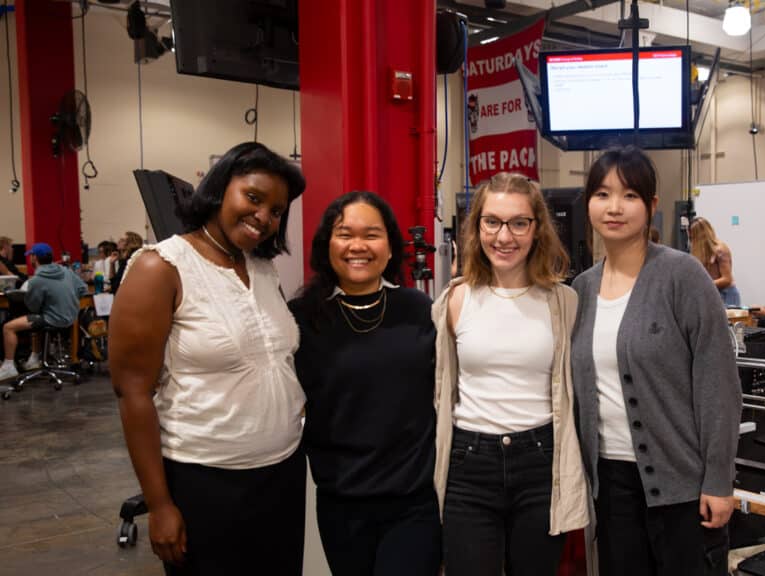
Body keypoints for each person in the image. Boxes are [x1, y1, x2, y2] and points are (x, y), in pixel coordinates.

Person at [108, 142, 307, 574]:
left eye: (276, 211)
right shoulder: (160, 267)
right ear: (219, 189)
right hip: (206, 483)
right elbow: (132, 392)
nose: (264, 217)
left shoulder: (260, 268)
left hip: (282, 475)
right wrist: (159, 504)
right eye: (253, 198)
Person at [571, 146, 740, 576]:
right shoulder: (582, 289)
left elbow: (718, 385)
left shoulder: (683, 276)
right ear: (588, 201)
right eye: (603, 194)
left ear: (651, 206)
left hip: (682, 485)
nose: (614, 208)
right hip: (610, 487)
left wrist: (719, 481)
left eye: (629, 196)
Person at [433, 172, 589, 576]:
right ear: (477, 226)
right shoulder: (455, 300)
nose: (505, 236)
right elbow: (439, 391)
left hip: (540, 463)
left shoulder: (564, 302)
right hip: (469, 465)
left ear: (537, 229)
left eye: (519, 222)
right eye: (492, 222)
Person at [289, 192, 441, 576]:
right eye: (345, 234)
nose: (358, 246)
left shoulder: (421, 311)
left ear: (390, 248)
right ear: (328, 245)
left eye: (371, 235)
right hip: (341, 502)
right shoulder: (301, 320)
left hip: (414, 501)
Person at [0, 243, 88, 380]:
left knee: (8, 327)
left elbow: (33, 307)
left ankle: (8, 367)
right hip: (71, 318)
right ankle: (34, 358)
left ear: (34, 258)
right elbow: (83, 289)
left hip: (51, 319)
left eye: (31, 256)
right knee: (37, 318)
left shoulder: (37, 280)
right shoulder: (67, 271)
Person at [689, 216, 741, 306]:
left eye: (692, 237)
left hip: (726, 296)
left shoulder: (720, 249)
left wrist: (703, 285)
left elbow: (727, 279)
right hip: (711, 294)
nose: (690, 240)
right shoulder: (699, 252)